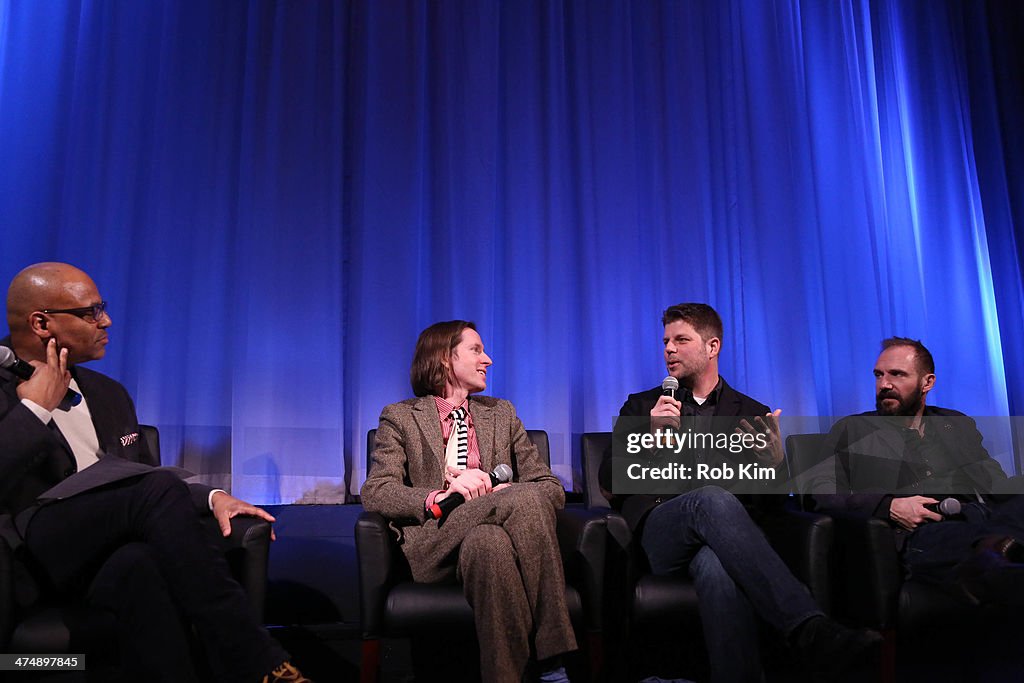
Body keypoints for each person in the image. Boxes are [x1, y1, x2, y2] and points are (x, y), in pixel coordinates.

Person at [0, 263, 308, 683]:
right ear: (41, 322)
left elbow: (137, 477)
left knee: (141, 565)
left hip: (104, 555)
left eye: (102, 308)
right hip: (30, 555)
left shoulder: (109, 393)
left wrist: (212, 497)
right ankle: (255, 659)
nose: (105, 320)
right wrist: (34, 410)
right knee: (159, 494)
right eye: (90, 312)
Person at [600, 303, 879, 682]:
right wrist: (647, 438)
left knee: (718, 568)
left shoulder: (750, 412)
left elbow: (773, 504)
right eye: (666, 341)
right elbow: (608, 480)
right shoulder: (641, 406)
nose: (668, 349)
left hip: (726, 540)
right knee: (711, 497)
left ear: (712, 347)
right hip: (662, 532)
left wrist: (775, 464)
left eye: (681, 340)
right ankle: (809, 630)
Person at [361, 320, 576, 683]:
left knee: (490, 542)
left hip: (491, 539)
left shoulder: (502, 414)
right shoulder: (400, 417)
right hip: (435, 541)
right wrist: (439, 495)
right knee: (521, 497)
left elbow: (550, 489)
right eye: (476, 350)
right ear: (446, 358)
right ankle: (553, 658)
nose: (488, 359)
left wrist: (499, 495)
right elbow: (377, 490)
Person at [811, 337, 1024, 605]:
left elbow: (994, 483)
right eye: (879, 375)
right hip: (923, 534)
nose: (884, 384)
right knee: (986, 540)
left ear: (928, 382)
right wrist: (887, 505)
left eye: (897, 374)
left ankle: (997, 550)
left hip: (978, 518)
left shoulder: (955, 423)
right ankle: (996, 552)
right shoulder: (853, 429)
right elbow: (821, 489)